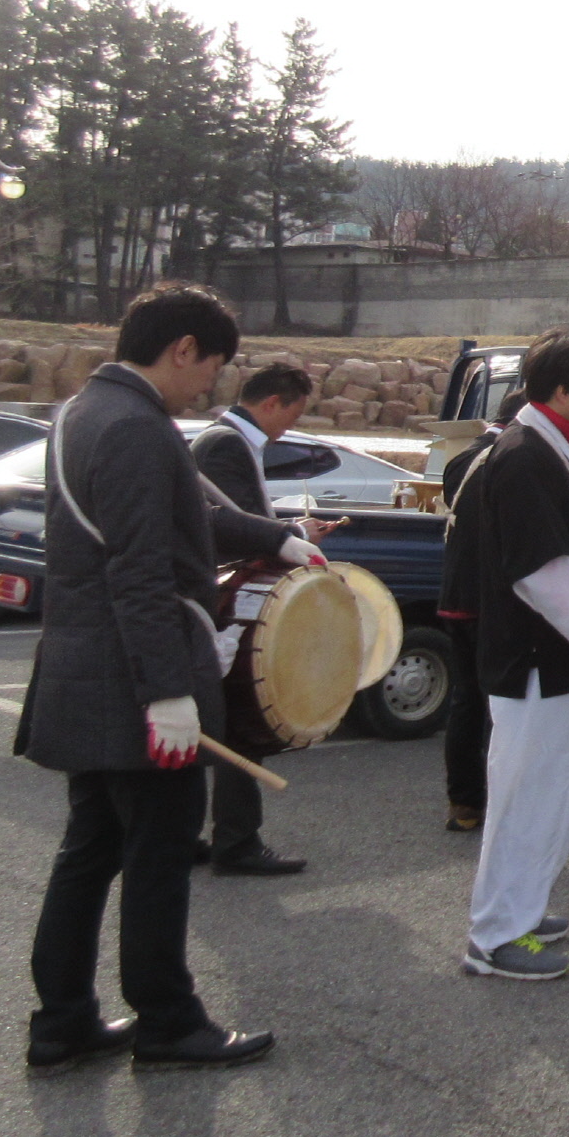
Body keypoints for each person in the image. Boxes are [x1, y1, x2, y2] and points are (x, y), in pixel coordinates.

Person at [19, 282, 279, 1073]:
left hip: (85, 672)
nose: (210, 386)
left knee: (89, 850)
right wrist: (166, 692)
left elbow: (177, 516)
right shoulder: (137, 426)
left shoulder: (85, 411)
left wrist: (281, 539)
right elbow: (137, 567)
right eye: (212, 369)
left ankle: (61, 1021)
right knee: (159, 856)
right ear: (183, 349)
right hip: (134, 682)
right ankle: (167, 1021)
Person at [452, 334, 569, 981]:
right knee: (525, 797)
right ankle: (495, 936)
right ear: (563, 392)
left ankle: (523, 908)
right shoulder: (525, 457)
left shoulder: (548, 450)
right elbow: (543, 570)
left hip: (553, 664)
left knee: (557, 794)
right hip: (534, 660)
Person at [189, 361, 334, 877]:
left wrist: (290, 529)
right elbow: (225, 530)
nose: (289, 428)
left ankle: (193, 836)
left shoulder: (223, 441)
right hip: (220, 600)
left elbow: (237, 517)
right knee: (235, 725)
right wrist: (285, 537)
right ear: (272, 402)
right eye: (291, 415)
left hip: (215, 595)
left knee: (215, 722)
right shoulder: (225, 444)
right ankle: (236, 842)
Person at [437, 394, 519, 833]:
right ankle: (502, 802)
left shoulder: (460, 460)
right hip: (492, 598)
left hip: (456, 594)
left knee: (465, 701)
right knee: (503, 705)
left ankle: (463, 803)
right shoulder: (510, 460)